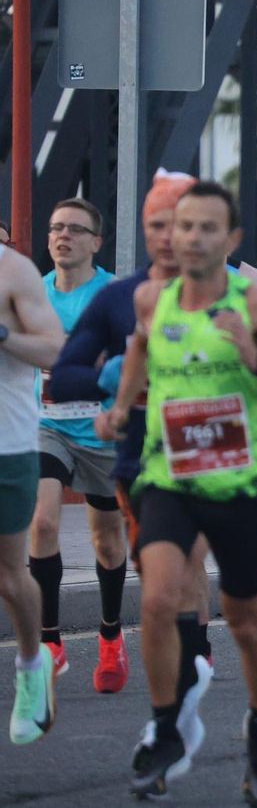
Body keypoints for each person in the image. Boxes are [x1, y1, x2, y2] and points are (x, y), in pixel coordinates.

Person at [99, 181, 257, 801]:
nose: (191, 238)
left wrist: (254, 359)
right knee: (158, 600)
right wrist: (121, 409)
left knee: (246, 622)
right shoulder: (152, 298)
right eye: (182, 227)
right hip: (169, 478)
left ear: (230, 241)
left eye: (206, 228)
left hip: (237, 485)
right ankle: (168, 727)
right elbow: (142, 349)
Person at [48, 172, 225, 760]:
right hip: (139, 457)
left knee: (187, 568)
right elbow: (66, 371)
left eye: (179, 224)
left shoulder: (238, 296)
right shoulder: (120, 299)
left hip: (206, 447)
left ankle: (189, 672)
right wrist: (113, 376)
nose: (169, 237)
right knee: (159, 584)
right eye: (156, 225)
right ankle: (171, 707)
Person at [23, 199, 126, 693]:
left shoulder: (113, 295)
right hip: (49, 428)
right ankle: (51, 643)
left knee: (107, 539)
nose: (62, 236)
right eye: (55, 228)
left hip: (103, 432)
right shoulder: (32, 295)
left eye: (74, 229)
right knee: (42, 521)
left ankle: (110, 636)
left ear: (95, 242)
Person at [2, 236, 66, 745]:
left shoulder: (14, 270)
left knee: (8, 575)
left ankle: (31, 662)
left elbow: (54, 346)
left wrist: (2, 333)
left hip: (7, 446)